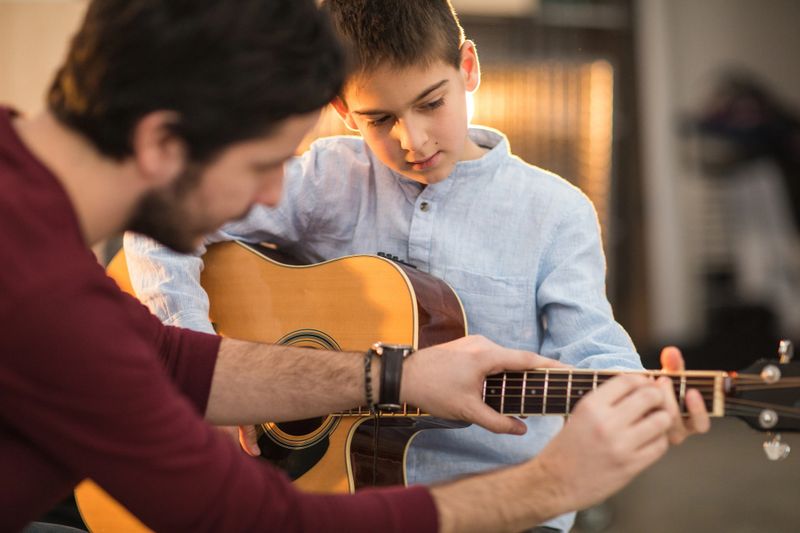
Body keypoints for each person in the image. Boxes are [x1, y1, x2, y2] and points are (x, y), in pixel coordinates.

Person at [0, 1, 708, 532]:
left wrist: (393, 376)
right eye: (261, 164)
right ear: (162, 142)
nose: (277, 197)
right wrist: (549, 485)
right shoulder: (46, 298)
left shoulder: (41, 243)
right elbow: (252, 517)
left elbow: (170, 357)